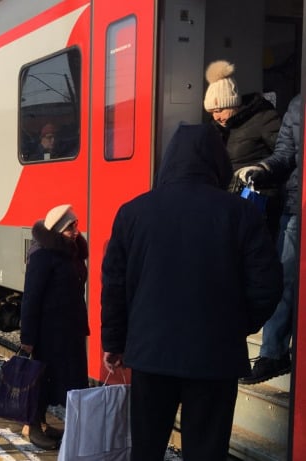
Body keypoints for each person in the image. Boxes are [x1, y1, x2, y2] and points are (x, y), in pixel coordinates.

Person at [100, 124, 282, 461]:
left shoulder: (133, 213)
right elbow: (267, 286)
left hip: (150, 356)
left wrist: (113, 342)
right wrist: (234, 325)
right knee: (206, 452)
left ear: (169, 160)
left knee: (146, 449)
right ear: (217, 163)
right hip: (214, 360)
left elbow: (114, 286)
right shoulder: (240, 213)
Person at [235, 93, 302, 384]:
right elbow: (284, 154)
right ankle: (273, 354)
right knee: (284, 278)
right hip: (297, 206)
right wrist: (261, 169)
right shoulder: (298, 105)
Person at [18, 204, 89, 450]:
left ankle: (46, 424)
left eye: (76, 225)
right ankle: (32, 425)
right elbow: (31, 297)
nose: (76, 231)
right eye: (71, 227)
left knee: (70, 378)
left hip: (71, 328)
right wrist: (27, 336)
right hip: (49, 331)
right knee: (43, 378)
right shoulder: (42, 255)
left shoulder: (72, 252)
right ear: (58, 229)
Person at [204, 59, 283, 235]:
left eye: (220, 110)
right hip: (230, 202)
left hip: (260, 200)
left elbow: (284, 154)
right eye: (212, 112)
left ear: (234, 103)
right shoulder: (216, 129)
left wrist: (261, 170)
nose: (216, 117)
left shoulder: (263, 117)